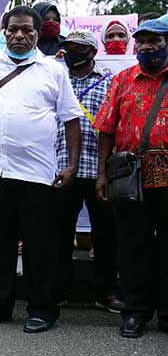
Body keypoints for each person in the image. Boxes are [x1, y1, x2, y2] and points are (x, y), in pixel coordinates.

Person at [0, 5, 83, 333]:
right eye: (13, 29)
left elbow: (72, 120)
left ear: (37, 33)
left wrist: (71, 165)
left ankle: (42, 309)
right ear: (4, 30)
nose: (19, 35)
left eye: (27, 30)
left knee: (39, 243)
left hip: (37, 174)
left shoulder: (53, 70)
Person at [94, 18, 168, 338]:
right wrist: (101, 175)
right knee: (132, 246)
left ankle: (166, 313)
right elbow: (106, 129)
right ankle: (135, 312)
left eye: (156, 41)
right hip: (130, 178)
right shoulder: (123, 80)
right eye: (143, 41)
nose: (148, 47)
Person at [50, 30, 122, 313]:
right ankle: (57, 289)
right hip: (60, 168)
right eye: (67, 49)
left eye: (78, 49)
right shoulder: (57, 79)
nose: (70, 54)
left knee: (106, 235)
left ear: (92, 53)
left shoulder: (109, 82)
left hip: (98, 169)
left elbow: (115, 122)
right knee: (58, 233)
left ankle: (105, 291)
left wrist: (106, 170)